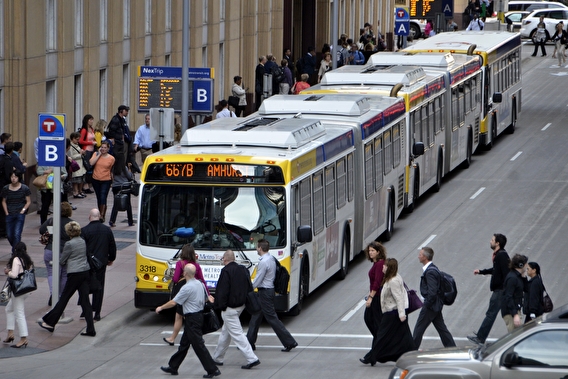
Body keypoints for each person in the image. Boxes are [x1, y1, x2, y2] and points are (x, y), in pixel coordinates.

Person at [156, 263, 220, 378]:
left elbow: (173, 302)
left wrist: (161, 307)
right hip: (198, 317)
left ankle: (212, 369)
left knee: (198, 346)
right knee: (184, 344)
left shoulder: (187, 287)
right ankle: (173, 367)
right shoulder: (199, 284)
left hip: (192, 319)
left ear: (185, 273)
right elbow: (205, 298)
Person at [39, 221, 96, 337]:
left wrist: (60, 262)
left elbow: (62, 260)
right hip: (84, 272)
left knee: (64, 298)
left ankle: (50, 322)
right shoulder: (82, 241)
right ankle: (91, 329)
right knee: (85, 302)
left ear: (68, 232)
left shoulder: (69, 244)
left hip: (74, 274)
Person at [212, 250, 261, 369]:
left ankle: (252, 358)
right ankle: (217, 357)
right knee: (226, 332)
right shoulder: (243, 269)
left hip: (229, 308)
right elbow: (249, 286)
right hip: (241, 305)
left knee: (237, 334)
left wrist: (219, 306)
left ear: (225, 259)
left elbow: (222, 291)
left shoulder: (226, 271)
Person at [247, 239, 298, 352]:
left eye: (257, 247)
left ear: (260, 248)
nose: (256, 249)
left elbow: (258, 279)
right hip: (267, 291)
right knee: (256, 316)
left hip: (265, 292)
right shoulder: (271, 259)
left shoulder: (263, 262)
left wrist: (248, 289)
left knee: (272, 318)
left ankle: (289, 342)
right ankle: (249, 342)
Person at [361, 258, 415, 365]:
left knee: (382, 336)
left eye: (385, 266)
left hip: (393, 314)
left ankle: (372, 357)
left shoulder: (393, 281)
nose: (383, 267)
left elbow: (399, 298)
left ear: (389, 268)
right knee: (404, 337)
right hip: (393, 313)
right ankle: (411, 355)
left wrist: (401, 314)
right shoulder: (392, 278)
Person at [163, 244, 210, 345]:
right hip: (194, 290)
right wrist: (208, 294)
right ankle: (197, 338)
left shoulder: (180, 264)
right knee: (189, 316)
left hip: (182, 290)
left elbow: (175, 279)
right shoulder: (196, 266)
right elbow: (202, 280)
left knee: (179, 316)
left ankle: (172, 338)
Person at [467, 233, 510, 344]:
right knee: (499, 314)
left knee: (491, 314)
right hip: (500, 290)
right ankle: (481, 336)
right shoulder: (499, 255)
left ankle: (481, 338)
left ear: (497, 243)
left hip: (501, 290)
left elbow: (506, 273)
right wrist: (481, 271)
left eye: (492, 240)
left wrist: (506, 290)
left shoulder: (502, 255)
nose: (490, 241)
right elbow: (496, 270)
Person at [412, 247, 456, 349]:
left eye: (420, 254)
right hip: (436, 305)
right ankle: (453, 349)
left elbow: (433, 292)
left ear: (425, 257)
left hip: (431, 306)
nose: (418, 256)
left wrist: (427, 304)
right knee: (442, 329)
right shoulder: (433, 268)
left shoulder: (430, 272)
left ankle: (411, 352)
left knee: (419, 329)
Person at [81, 208, 117, 321]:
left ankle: (85, 310)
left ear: (89, 217)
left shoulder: (84, 230)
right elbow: (112, 246)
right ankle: (97, 312)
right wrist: (111, 258)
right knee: (99, 287)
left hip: (87, 263)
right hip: (101, 263)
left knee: (85, 286)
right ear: (100, 216)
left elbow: (82, 248)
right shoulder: (107, 230)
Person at [39, 201, 74, 306]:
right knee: (64, 274)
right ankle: (59, 296)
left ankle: (53, 294)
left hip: (50, 249)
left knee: (51, 273)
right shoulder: (71, 223)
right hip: (65, 252)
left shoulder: (51, 221)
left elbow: (41, 230)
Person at [359, 241, 387, 365]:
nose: (370, 253)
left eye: (373, 251)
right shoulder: (376, 264)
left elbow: (377, 282)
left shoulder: (380, 264)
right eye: (369, 251)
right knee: (375, 326)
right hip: (375, 296)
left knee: (372, 322)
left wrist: (370, 297)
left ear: (378, 252)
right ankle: (375, 353)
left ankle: (373, 355)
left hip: (377, 299)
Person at [3, 242, 33, 348]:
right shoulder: (27, 260)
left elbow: (15, 275)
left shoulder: (16, 259)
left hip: (18, 291)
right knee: (9, 309)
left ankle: (24, 338)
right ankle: (10, 333)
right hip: (25, 290)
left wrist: (8, 272)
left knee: (19, 313)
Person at [1, 172, 31, 249]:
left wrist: (23, 210)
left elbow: (28, 201)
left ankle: (16, 253)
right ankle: (17, 248)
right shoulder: (6, 188)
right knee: (9, 234)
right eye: (12, 177)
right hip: (9, 213)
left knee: (17, 234)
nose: (13, 179)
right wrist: (6, 212)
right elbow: (3, 201)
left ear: (19, 178)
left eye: (15, 177)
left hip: (19, 214)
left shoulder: (24, 188)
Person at [501, 254, 528, 333]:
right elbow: (508, 296)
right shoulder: (512, 278)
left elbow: (526, 289)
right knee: (514, 336)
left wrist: (524, 277)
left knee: (518, 335)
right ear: (521, 265)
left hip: (515, 310)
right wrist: (515, 314)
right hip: (511, 312)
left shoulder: (518, 277)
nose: (527, 266)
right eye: (526, 264)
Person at [89, 140, 115, 222]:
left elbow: (111, 170)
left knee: (103, 196)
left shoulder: (111, 158)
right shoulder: (96, 154)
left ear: (108, 149)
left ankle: (102, 215)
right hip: (95, 179)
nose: (103, 149)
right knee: (99, 198)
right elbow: (91, 163)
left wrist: (112, 181)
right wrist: (99, 154)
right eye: (102, 147)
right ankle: (100, 213)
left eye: (105, 148)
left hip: (106, 180)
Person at [106, 105, 130, 171]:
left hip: (120, 142)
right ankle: (116, 174)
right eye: (126, 111)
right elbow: (111, 131)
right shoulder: (115, 119)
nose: (127, 112)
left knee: (121, 160)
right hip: (116, 143)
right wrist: (113, 139)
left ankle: (120, 173)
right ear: (121, 111)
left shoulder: (122, 120)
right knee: (116, 159)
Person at [68, 132, 88, 198]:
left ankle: (80, 191)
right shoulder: (70, 146)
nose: (78, 140)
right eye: (77, 139)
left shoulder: (77, 145)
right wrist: (80, 154)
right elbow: (71, 156)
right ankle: (75, 192)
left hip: (80, 164)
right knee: (76, 180)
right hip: (75, 165)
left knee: (81, 179)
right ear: (72, 138)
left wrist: (83, 153)